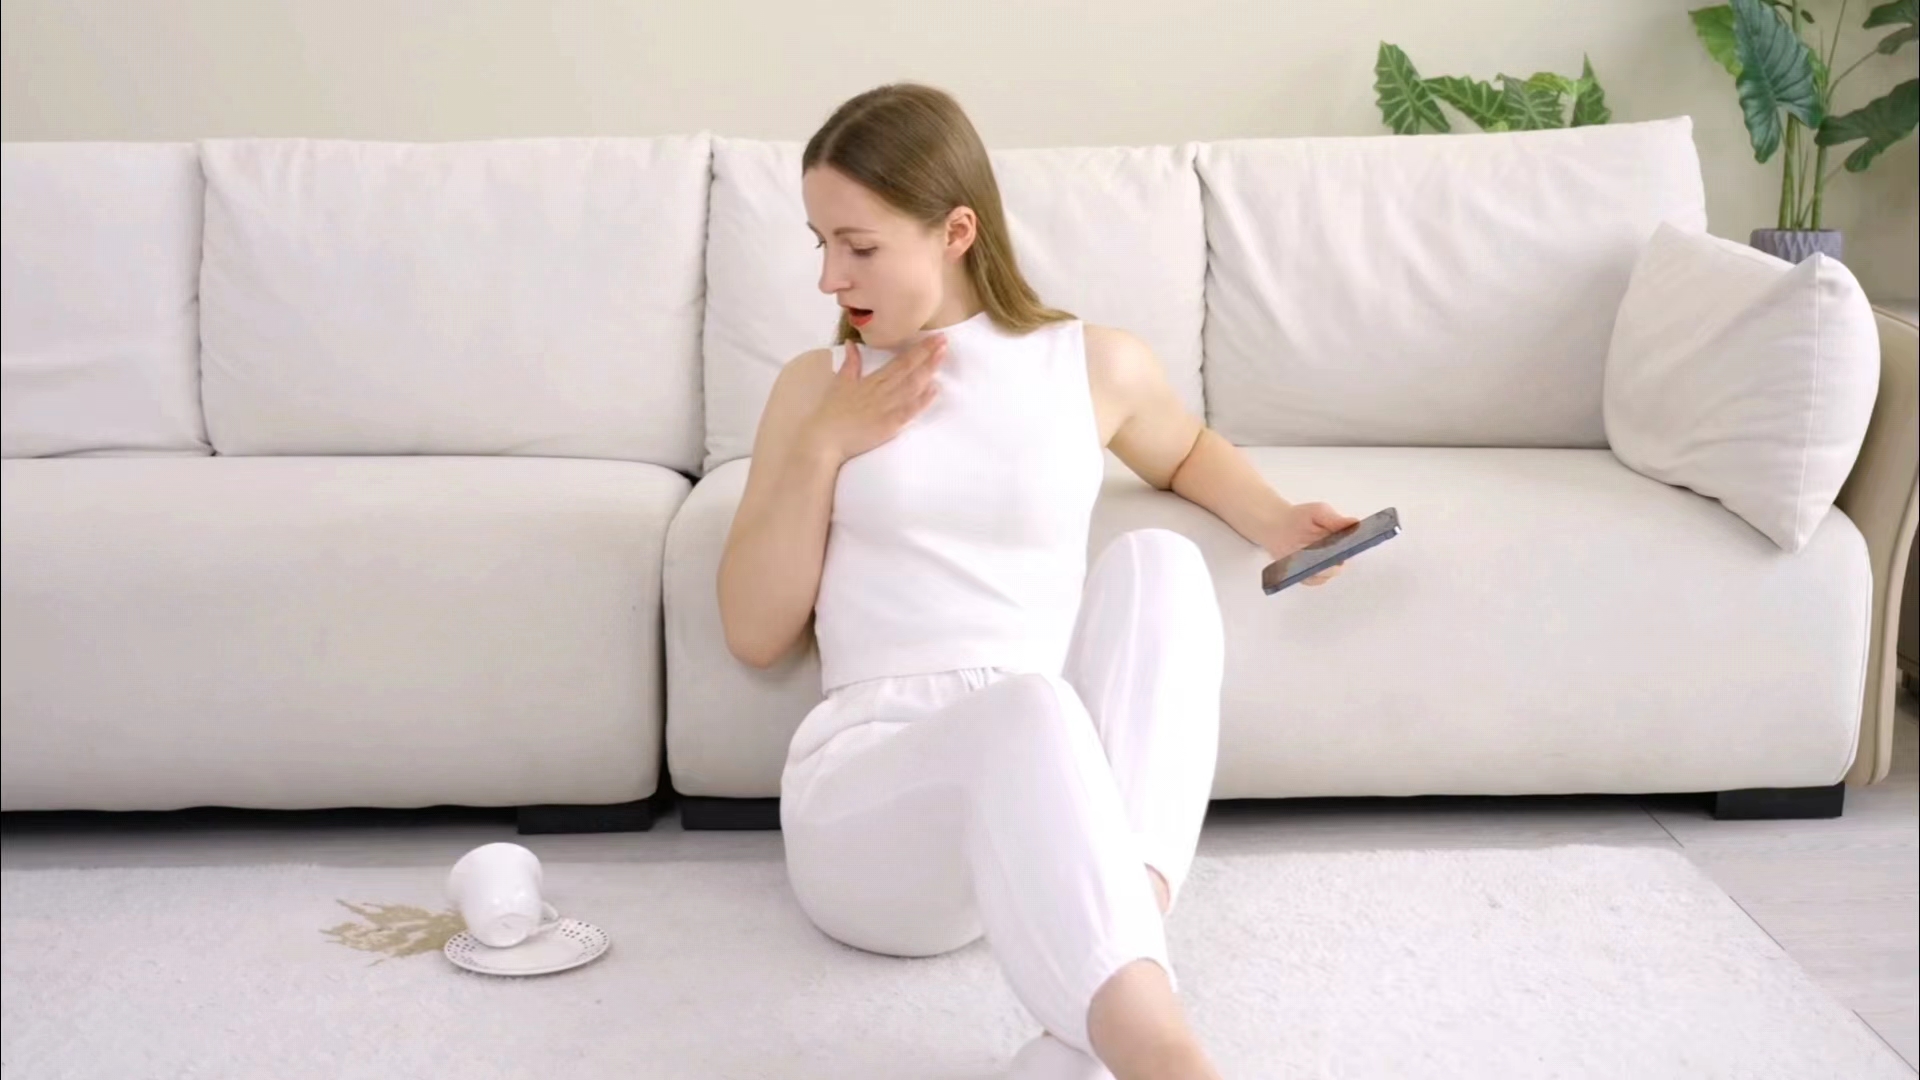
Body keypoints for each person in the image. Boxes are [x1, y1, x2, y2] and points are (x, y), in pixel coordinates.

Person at [717, 83, 1357, 1080]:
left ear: (955, 231)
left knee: (1160, 563)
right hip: (875, 811)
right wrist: (825, 445)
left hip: (1044, 815)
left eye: (859, 246)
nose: (830, 277)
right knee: (1030, 706)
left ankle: (1106, 975)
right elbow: (756, 632)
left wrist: (1278, 521)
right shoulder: (816, 388)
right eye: (821, 243)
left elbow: (1185, 452)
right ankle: (1162, 1054)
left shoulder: (1090, 363)